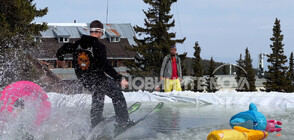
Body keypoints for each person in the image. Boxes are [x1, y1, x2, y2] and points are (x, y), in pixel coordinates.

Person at [56, 20, 134, 131]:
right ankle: (123, 122)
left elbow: (62, 49)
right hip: (98, 79)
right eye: (102, 33)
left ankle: (96, 121)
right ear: (99, 31)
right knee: (117, 95)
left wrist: (60, 59)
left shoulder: (77, 44)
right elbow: (105, 65)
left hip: (84, 80)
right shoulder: (99, 46)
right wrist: (119, 78)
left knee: (98, 94)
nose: (102, 35)